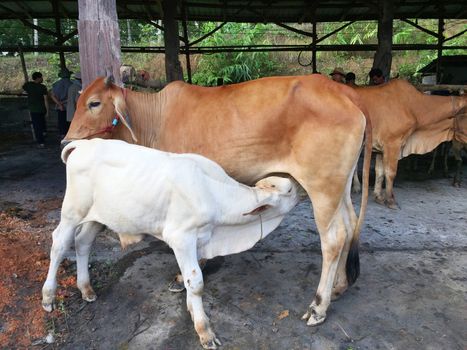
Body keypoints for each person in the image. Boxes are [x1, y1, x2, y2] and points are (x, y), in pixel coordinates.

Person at [22, 72, 49, 148]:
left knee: (37, 126)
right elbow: (45, 100)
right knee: (42, 125)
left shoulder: (28, 85)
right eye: (41, 77)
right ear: (38, 78)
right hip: (42, 109)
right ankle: (42, 137)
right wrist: (47, 110)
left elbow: (24, 88)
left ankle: (41, 142)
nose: (42, 79)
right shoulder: (42, 87)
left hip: (33, 109)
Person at [51, 68, 73, 138]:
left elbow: (52, 95)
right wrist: (64, 102)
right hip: (69, 106)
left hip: (59, 106)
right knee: (69, 122)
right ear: (69, 75)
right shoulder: (72, 84)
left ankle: (62, 135)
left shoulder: (55, 84)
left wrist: (60, 104)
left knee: (61, 121)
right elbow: (71, 97)